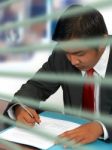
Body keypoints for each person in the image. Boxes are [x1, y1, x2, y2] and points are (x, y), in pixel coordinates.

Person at [4, 4, 112, 145]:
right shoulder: (61, 55)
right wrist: (20, 108)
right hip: (69, 142)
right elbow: (37, 86)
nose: (72, 61)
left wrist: (100, 127)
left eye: (80, 53)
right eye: (68, 53)